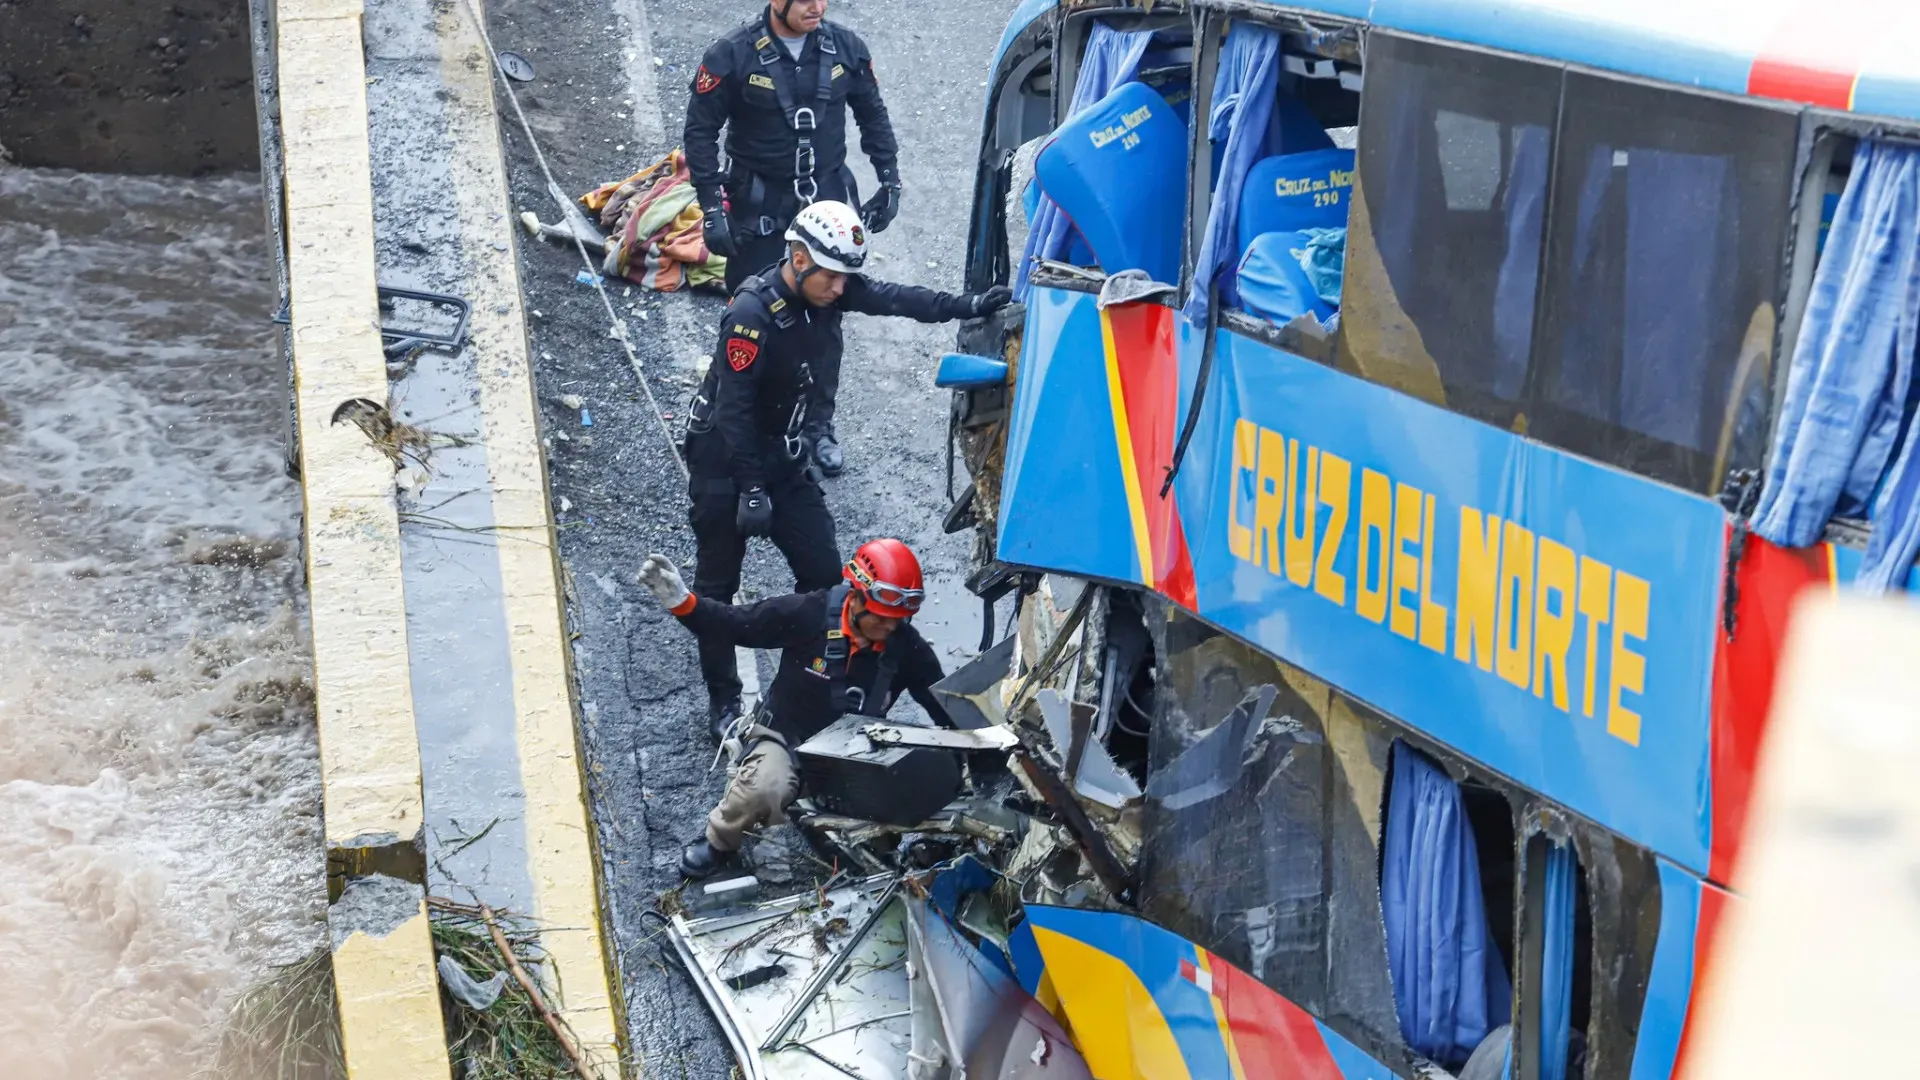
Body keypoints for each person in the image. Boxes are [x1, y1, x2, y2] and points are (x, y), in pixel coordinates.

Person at [680, 199, 1009, 743]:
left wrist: (967, 304)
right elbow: (732, 412)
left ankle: (814, 683)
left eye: (844, 279)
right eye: (832, 277)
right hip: (727, 464)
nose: (840, 290)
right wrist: (752, 490)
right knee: (718, 588)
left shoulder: (828, 289)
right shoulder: (750, 316)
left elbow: (894, 298)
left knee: (827, 576)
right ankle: (724, 703)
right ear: (801, 259)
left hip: (783, 462)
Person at [637, 539, 954, 879]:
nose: (890, 627)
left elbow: (944, 706)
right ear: (856, 595)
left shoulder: (908, 649)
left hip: (854, 755)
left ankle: (837, 820)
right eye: (882, 616)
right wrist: (683, 603)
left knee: (883, 838)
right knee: (764, 788)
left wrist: (986, 751)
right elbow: (733, 623)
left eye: (898, 619)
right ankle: (719, 842)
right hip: (786, 739)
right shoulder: (807, 613)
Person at [685, 0, 903, 476]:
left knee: (826, 321)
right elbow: (700, 132)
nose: (817, 7)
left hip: (825, 199)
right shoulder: (731, 55)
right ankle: (727, 421)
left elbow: (872, 113)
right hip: (758, 209)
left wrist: (889, 180)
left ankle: (817, 428)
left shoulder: (846, 48)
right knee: (750, 318)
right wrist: (710, 210)